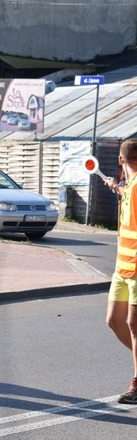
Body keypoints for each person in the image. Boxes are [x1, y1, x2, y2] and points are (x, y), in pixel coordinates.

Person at [104, 138, 137, 404]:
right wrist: (118, 188)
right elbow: (127, 191)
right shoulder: (130, 187)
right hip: (121, 269)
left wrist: (123, 189)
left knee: (134, 325)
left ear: (121, 161)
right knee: (114, 321)